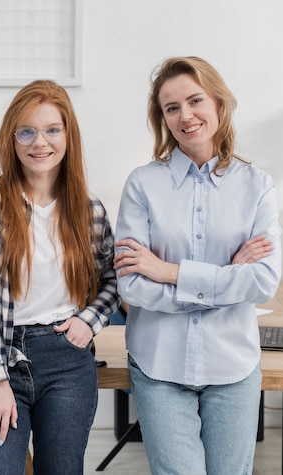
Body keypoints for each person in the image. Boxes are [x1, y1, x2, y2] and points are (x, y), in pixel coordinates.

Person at [114, 56, 282, 475]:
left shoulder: (258, 186)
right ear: (162, 119)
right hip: (159, 367)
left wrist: (170, 272)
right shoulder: (142, 184)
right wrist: (226, 281)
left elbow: (262, 282)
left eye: (195, 100)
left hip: (233, 367)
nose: (185, 115)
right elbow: (132, 287)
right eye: (172, 108)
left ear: (219, 104)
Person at [0, 79, 119, 474]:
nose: (39, 142)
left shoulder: (89, 210)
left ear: (68, 136)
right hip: (2, 358)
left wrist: (89, 320)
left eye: (51, 130)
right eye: (26, 131)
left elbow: (113, 279)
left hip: (66, 360)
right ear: (11, 139)